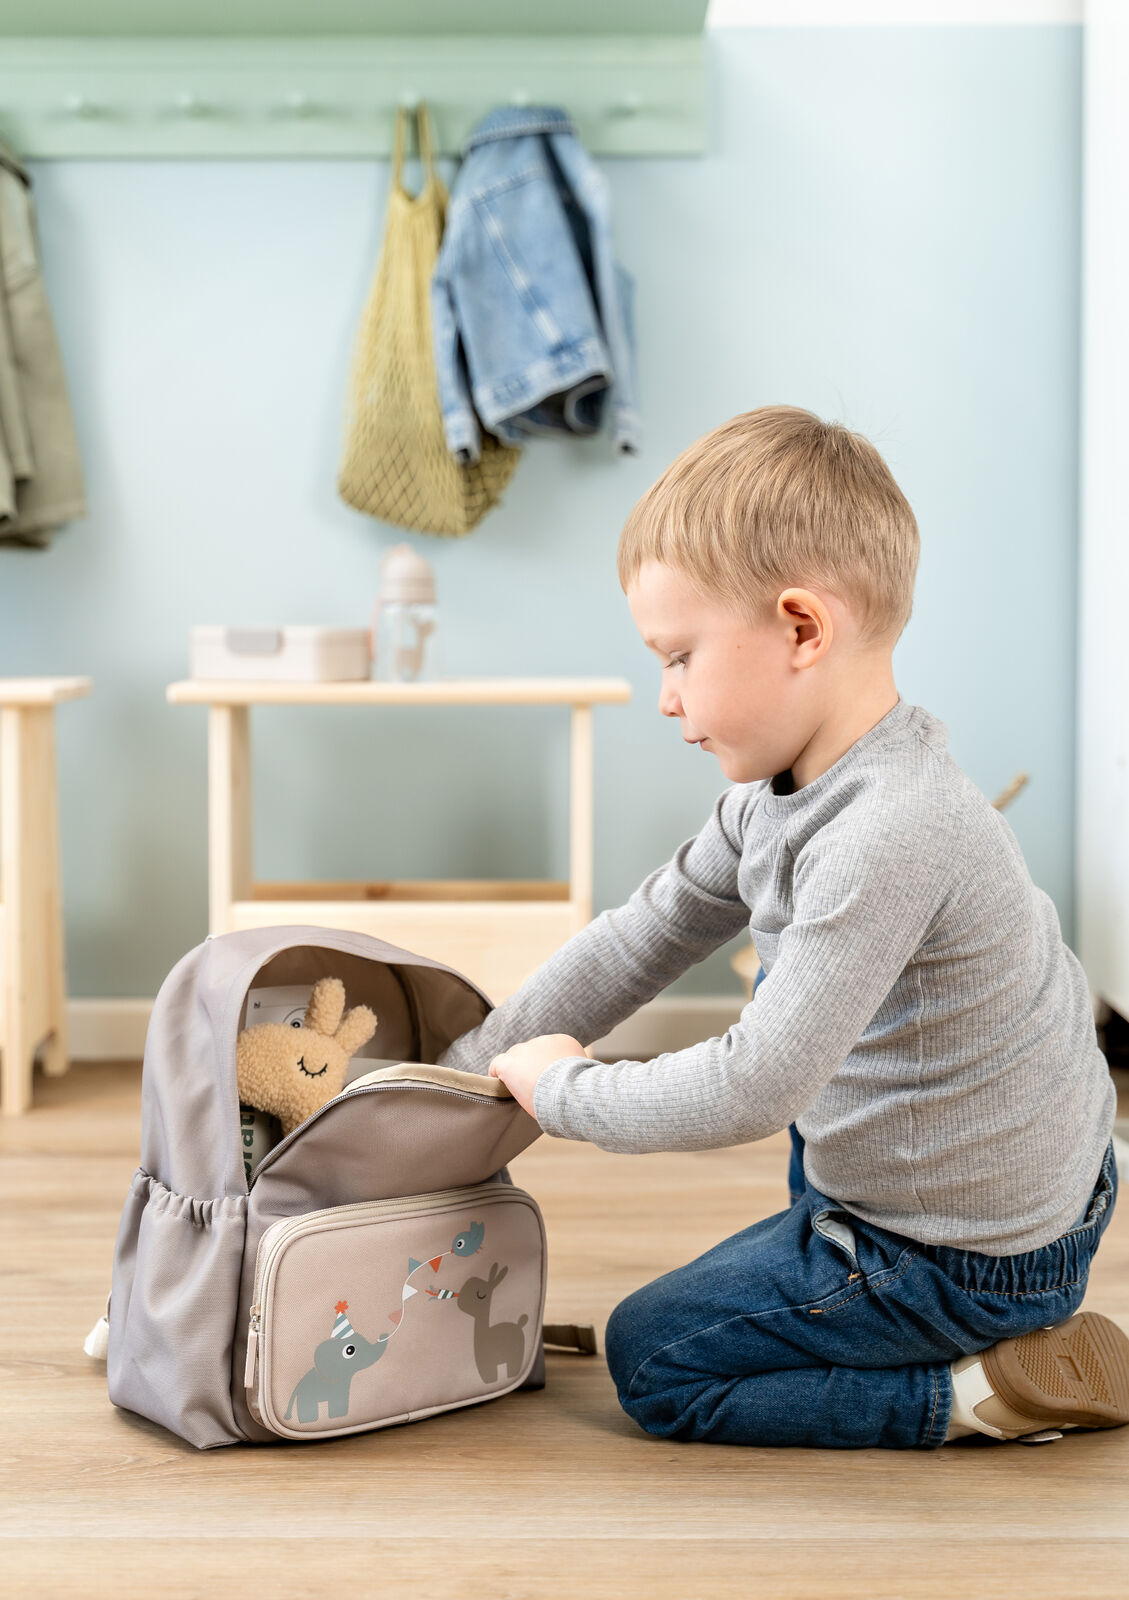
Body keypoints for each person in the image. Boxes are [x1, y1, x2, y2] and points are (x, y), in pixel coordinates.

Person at [438, 405, 1128, 1449]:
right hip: (993, 1178)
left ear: (802, 629)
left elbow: (754, 1087)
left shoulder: (890, 828)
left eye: (678, 656)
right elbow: (643, 935)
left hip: (968, 1253)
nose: (664, 697)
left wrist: (561, 1091)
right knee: (802, 1058)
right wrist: (463, 1070)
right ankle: (875, 1272)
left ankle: (972, 1392)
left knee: (653, 1357)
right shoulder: (779, 795)